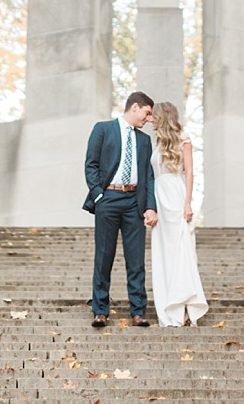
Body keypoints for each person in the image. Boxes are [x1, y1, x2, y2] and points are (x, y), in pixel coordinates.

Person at [83, 90, 158, 329]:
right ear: (135, 107)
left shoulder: (144, 141)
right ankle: (100, 311)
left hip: (134, 202)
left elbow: (148, 175)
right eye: (146, 114)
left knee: (136, 260)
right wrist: (99, 195)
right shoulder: (103, 129)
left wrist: (150, 206)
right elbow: (91, 164)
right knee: (104, 257)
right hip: (108, 198)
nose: (147, 119)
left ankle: (138, 312)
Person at [149, 101, 208, 328]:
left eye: (154, 116)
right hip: (160, 199)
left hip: (176, 196)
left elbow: (190, 172)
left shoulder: (184, 141)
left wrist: (187, 203)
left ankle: (184, 307)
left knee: (181, 253)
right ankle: (168, 308)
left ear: (163, 117)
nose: (151, 120)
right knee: (164, 254)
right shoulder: (154, 142)